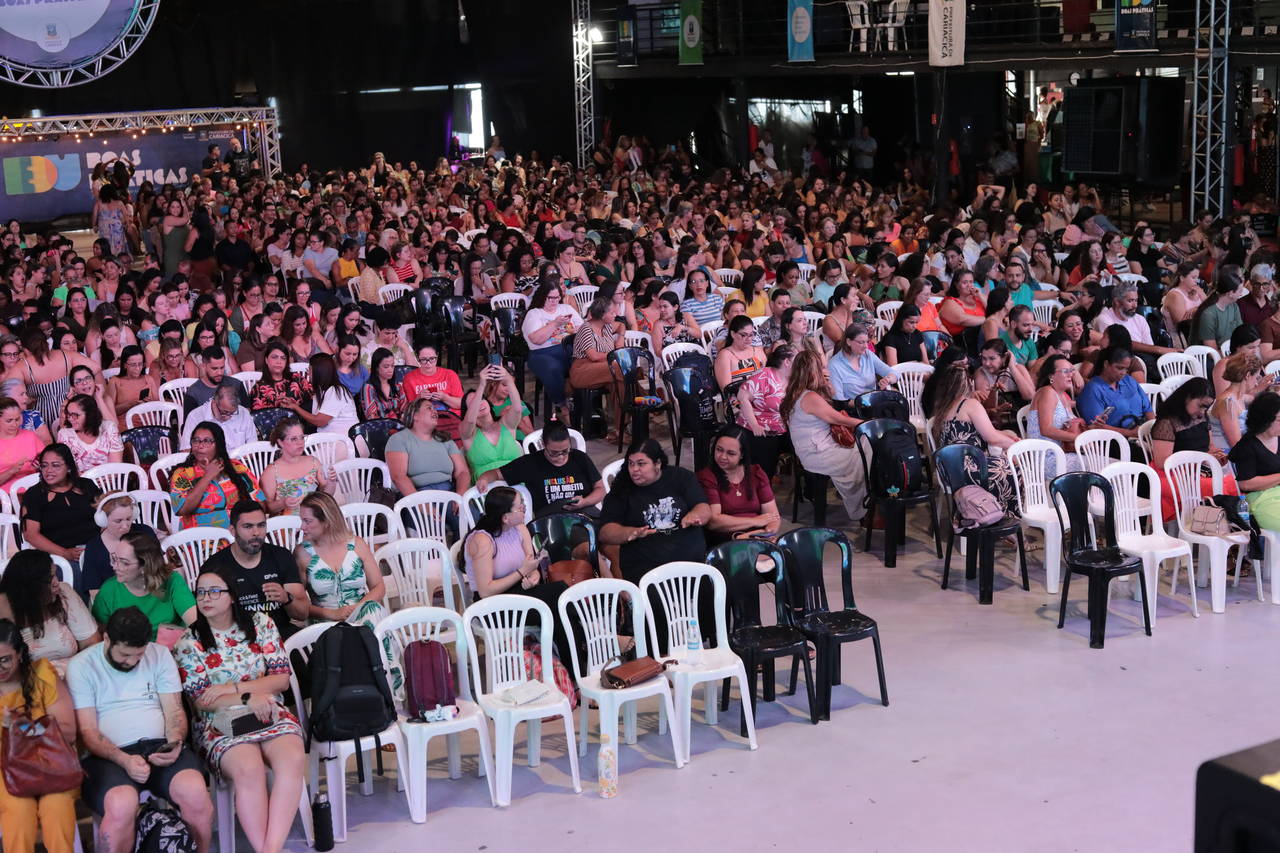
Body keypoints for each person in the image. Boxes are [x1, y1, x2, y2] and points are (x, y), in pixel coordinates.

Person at [173, 566, 306, 853]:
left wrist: (232, 690)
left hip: (269, 711)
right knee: (249, 768)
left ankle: (270, 848)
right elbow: (202, 701)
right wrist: (249, 697)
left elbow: (281, 679)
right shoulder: (189, 642)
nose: (205, 599)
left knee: (293, 758)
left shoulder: (261, 624)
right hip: (217, 725)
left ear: (232, 596)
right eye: (201, 593)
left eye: (214, 591)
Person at [68, 607, 213, 853]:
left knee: (196, 793)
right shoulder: (82, 666)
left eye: (138, 654)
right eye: (125, 654)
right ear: (106, 639)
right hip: (108, 755)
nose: (132, 661)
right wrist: (124, 760)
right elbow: (89, 732)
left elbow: (175, 711)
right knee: (121, 804)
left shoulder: (159, 655)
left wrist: (175, 743)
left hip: (159, 746)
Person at [599, 439, 712, 637]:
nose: (634, 470)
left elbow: (703, 507)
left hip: (688, 561)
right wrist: (629, 533)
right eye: (631, 463)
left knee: (711, 594)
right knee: (658, 619)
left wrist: (696, 515)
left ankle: (703, 642)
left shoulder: (681, 478)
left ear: (658, 463)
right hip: (646, 567)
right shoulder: (622, 489)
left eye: (641, 464)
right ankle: (658, 650)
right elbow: (605, 532)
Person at [463, 486, 578, 661]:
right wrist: (521, 572)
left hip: (519, 592)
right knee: (559, 594)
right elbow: (485, 591)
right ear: (505, 517)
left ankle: (574, 672)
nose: (524, 508)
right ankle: (591, 649)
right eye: (519, 506)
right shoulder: (482, 540)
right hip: (491, 607)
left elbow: (531, 567)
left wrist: (533, 577)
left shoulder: (520, 528)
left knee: (558, 610)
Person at [0, 619, 79, 853]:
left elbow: (68, 730)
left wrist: (19, 727)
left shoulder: (41, 673)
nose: (0, 668)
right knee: (18, 809)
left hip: (51, 764)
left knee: (58, 805)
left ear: (21, 655)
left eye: (5, 660)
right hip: (5, 770)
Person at [198, 501, 308, 640]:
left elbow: (303, 613)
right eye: (248, 526)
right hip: (237, 640)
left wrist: (286, 598)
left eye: (261, 525)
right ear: (232, 530)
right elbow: (206, 620)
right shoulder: (215, 567)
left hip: (280, 634)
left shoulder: (281, 556)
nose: (256, 533)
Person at [781, 349, 868, 523]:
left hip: (810, 451)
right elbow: (838, 418)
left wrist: (827, 385)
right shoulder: (809, 397)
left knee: (866, 448)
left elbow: (832, 400)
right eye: (820, 368)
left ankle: (867, 503)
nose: (823, 371)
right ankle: (865, 508)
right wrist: (867, 424)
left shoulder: (794, 393)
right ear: (812, 371)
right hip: (819, 453)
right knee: (869, 448)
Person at [927, 360, 1019, 513]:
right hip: (969, 467)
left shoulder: (942, 406)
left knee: (1005, 460)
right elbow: (992, 438)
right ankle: (1003, 519)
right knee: (1013, 470)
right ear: (968, 383)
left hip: (949, 468)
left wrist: (1009, 439)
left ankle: (994, 514)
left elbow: (982, 432)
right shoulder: (969, 404)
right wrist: (1016, 446)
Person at [295, 492, 387, 628]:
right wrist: (332, 614)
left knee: (373, 610)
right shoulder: (302, 553)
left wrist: (356, 609)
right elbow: (298, 605)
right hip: (327, 622)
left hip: (363, 614)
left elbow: (378, 587)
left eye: (307, 521)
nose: (302, 527)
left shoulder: (357, 545)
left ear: (326, 521)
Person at [1152, 377, 1239, 520]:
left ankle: (1226, 527)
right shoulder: (1166, 423)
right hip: (1173, 474)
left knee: (1235, 480)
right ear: (1187, 398)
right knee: (1220, 486)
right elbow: (1162, 463)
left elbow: (1210, 446)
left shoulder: (1202, 417)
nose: (1202, 411)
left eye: (1206, 407)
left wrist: (1215, 456)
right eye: (1200, 405)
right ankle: (1213, 529)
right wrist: (1202, 459)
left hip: (1198, 469)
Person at [475, 419, 604, 516]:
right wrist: (484, 478)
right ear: (543, 445)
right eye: (554, 452)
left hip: (585, 511)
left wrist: (585, 501)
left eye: (565, 451)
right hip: (552, 517)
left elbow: (600, 488)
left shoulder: (579, 458)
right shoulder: (530, 463)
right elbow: (497, 473)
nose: (560, 457)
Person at [0, 550, 98, 677]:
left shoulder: (64, 593)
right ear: (28, 588)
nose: (56, 583)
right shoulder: (4, 612)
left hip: (74, 676)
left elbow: (91, 643)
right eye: (48, 580)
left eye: (55, 575)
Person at [170, 421, 266, 530]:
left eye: (207, 441)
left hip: (238, 536)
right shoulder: (183, 473)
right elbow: (182, 509)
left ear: (219, 444)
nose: (200, 445)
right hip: (199, 540)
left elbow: (259, 504)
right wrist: (207, 476)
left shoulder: (237, 468)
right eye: (196, 441)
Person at [20, 443, 102, 568]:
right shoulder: (34, 495)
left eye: (56, 465)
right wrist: (64, 553)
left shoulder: (86, 485)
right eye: (44, 466)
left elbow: (106, 515)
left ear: (68, 467)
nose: (48, 471)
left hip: (95, 548)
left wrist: (100, 545)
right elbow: (31, 534)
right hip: (59, 556)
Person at [696, 425, 780, 546]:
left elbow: (773, 516)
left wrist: (766, 533)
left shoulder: (756, 473)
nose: (723, 457)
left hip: (757, 535)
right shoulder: (707, 477)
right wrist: (754, 521)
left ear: (742, 455)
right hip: (725, 540)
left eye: (731, 453)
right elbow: (714, 521)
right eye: (719, 449)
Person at [522, 280, 582, 423]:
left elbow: (583, 327)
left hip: (568, 348)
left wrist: (572, 331)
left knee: (584, 363)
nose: (554, 301)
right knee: (552, 368)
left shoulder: (566, 308)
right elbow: (536, 339)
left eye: (557, 297)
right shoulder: (535, 313)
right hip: (542, 352)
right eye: (551, 298)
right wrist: (555, 324)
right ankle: (562, 406)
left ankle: (585, 406)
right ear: (543, 296)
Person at [386, 397, 470, 495]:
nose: (435, 411)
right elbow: (398, 477)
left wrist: (460, 496)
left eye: (434, 408)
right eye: (429, 408)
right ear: (415, 415)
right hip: (417, 494)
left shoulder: (445, 439)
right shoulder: (399, 439)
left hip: (449, 491)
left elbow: (462, 472)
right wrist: (422, 505)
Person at [735, 344, 794, 479]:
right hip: (760, 427)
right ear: (787, 362)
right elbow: (742, 398)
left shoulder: (794, 378)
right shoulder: (764, 376)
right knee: (767, 451)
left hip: (784, 426)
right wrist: (755, 425)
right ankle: (761, 487)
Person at [1228, 391, 1280, 532]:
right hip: (1259, 500)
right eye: (1279, 420)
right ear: (1265, 420)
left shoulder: (1278, 436)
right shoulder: (1248, 445)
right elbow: (1245, 483)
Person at [1076, 347, 1155, 439]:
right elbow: (1096, 427)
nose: (1123, 373)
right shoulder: (1093, 389)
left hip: (1143, 430)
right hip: (1116, 438)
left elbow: (1148, 408)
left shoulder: (1128, 380)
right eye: (1120, 368)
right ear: (1106, 364)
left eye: (1126, 369)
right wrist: (1131, 433)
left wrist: (1153, 427)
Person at [1026, 355, 1085, 477]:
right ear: (1051, 376)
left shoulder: (1062, 396)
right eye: (1065, 371)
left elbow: (1071, 426)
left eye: (1071, 370)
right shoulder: (1047, 392)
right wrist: (1077, 438)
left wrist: (1094, 425)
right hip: (1046, 458)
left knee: (1106, 463)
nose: (1070, 375)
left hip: (1062, 454)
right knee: (1106, 465)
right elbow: (1046, 429)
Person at [460, 367, 523, 479]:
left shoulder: (506, 424)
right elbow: (470, 421)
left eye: (481, 399)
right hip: (485, 490)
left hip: (515, 483)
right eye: (474, 402)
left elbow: (517, 409)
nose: (479, 402)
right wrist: (482, 384)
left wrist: (508, 380)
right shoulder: (467, 434)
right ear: (468, 412)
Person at [259, 418, 332, 516]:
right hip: (286, 526)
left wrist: (330, 482)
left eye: (302, 437)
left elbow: (326, 497)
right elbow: (267, 508)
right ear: (280, 442)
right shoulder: (271, 471)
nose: (300, 442)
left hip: (314, 519)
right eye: (294, 439)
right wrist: (283, 503)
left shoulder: (313, 462)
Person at [284, 353, 359, 442]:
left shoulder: (336, 391)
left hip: (345, 442)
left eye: (310, 370)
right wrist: (294, 405)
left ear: (318, 372)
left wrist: (296, 408)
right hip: (331, 440)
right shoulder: (321, 392)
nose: (308, 373)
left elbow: (320, 421)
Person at [1210, 354, 1269, 453]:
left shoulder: (1239, 396)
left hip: (1243, 448)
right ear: (1248, 375)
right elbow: (1236, 444)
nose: (1256, 383)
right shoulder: (1228, 403)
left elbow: (1260, 402)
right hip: (1229, 456)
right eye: (1256, 378)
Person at [828, 322, 897, 401]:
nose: (866, 346)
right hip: (853, 408)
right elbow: (839, 400)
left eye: (867, 342)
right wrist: (864, 404)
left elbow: (894, 373)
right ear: (848, 342)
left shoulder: (868, 355)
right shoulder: (834, 365)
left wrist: (888, 379)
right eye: (861, 342)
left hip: (873, 402)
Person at [56, 392, 124, 472]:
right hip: (82, 483)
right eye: (69, 414)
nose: (70, 419)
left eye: (75, 415)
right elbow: (70, 472)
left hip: (111, 481)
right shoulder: (65, 435)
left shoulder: (109, 428)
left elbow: (116, 467)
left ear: (89, 415)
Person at [181, 383, 256, 450]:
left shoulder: (243, 413)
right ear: (214, 402)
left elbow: (253, 446)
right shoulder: (195, 416)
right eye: (224, 412)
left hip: (241, 461)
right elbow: (186, 450)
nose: (228, 417)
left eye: (232, 413)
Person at [104, 345, 159, 430]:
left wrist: (149, 403)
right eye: (133, 365)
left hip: (149, 424)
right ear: (125, 365)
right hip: (126, 427)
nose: (137, 368)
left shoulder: (148, 379)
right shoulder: (115, 381)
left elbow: (158, 407)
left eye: (140, 364)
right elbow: (110, 412)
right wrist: (132, 404)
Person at [182, 346, 247, 416]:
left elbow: (246, 413)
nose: (219, 372)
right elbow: (190, 423)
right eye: (214, 368)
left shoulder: (236, 384)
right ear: (204, 366)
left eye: (222, 367)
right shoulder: (193, 393)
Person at [250, 341, 312, 412]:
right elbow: (258, 417)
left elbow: (313, 400)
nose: (279, 362)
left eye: (283, 358)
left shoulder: (297, 378)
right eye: (274, 357)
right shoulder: (258, 388)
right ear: (266, 360)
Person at [0, 396, 44, 491]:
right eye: (9, 421)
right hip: (5, 498)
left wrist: (40, 463)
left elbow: (46, 458)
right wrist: (11, 471)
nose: (15, 424)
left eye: (17, 419)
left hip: (35, 490)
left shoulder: (30, 436)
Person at [360, 346, 407, 421]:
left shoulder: (398, 386)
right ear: (376, 368)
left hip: (400, 427)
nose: (390, 370)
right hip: (379, 429)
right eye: (386, 367)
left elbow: (405, 411)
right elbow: (371, 417)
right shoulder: (368, 388)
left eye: (392, 366)